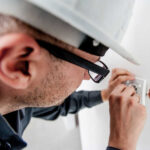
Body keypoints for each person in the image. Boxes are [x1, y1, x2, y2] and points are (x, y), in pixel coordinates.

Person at [0, 0, 147, 150]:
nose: (88, 77)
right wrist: (121, 144)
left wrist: (105, 94)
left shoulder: (17, 100)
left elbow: (60, 105)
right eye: (88, 66)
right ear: (19, 64)